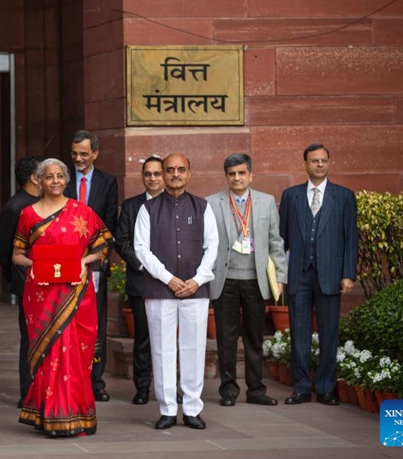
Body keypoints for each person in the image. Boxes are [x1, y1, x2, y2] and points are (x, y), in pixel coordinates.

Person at [12, 158, 113, 437]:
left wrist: (83, 262)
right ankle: (49, 415)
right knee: (49, 353)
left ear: (67, 180)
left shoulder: (82, 212)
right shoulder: (28, 214)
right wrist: (35, 264)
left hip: (76, 293)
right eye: (49, 176)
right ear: (39, 180)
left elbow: (102, 247)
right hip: (42, 295)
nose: (55, 181)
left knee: (74, 353)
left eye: (59, 176)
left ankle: (75, 415)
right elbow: (17, 254)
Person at [134, 153, 219, 430]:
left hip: (196, 289)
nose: (175, 174)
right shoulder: (148, 209)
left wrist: (197, 279)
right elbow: (141, 249)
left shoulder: (203, 207)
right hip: (160, 290)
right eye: (170, 169)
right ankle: (167, 409)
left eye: (181, 169)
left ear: (189, 174)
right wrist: (169, 279)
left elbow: (213, 247)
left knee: (194, 348)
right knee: (162, 350)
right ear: (163, 174)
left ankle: (192, 408)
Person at [279, 144, 358, 406]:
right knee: (298, 333)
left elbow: (351, 238)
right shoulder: (291, 196)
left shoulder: (343, 196)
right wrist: (280, 273)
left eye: (324, 160)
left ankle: (325, 388)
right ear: (305, 164)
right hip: (298, 273)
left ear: (329, 163)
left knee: (329, 332)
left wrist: (348, 274)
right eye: (314, 161)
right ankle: (301, 388)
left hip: (330, 274)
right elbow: (282, 238)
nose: (320, 164)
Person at [207, 153, 287, 408]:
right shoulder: (212, 203)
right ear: (226, 176)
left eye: (241, 173)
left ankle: (256, 390)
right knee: (226, 338)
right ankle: (229, 390)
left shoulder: (266, 201)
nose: (237, 178)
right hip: (225, 280)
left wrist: (281, 276)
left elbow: (276, 242)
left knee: (254, 337)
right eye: (232, 174)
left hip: (256, 279)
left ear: (250, 175)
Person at [63, 130, 118, 402]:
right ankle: (71, 378)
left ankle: (96, 380)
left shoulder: (108, 182)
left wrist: (97, 257)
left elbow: (110, 224)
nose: (78, 159)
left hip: (94, 265)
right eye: (74, 154)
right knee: (67, 322)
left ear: (95, 153)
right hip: (64, 263)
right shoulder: (62, 180)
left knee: (95, 324)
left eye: (84, 154)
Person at [0, 155, 43, 408]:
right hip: (27, 283)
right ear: (34, 178)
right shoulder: (16, 207)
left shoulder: (46, 202)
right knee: (30, 338)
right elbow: (3, 249)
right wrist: (15, 278)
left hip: (50, 281)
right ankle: (28, 392)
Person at [114, 156, 164, 405]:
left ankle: (169, 387)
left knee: (169, 339)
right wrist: (142, 265)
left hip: (170, 282)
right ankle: (142, 388)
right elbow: (121, 241)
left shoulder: (176, 204)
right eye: (148, 174)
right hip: (141, 280)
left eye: (157, 173)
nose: (152, 178)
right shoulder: (131, 206)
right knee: (143, 337)